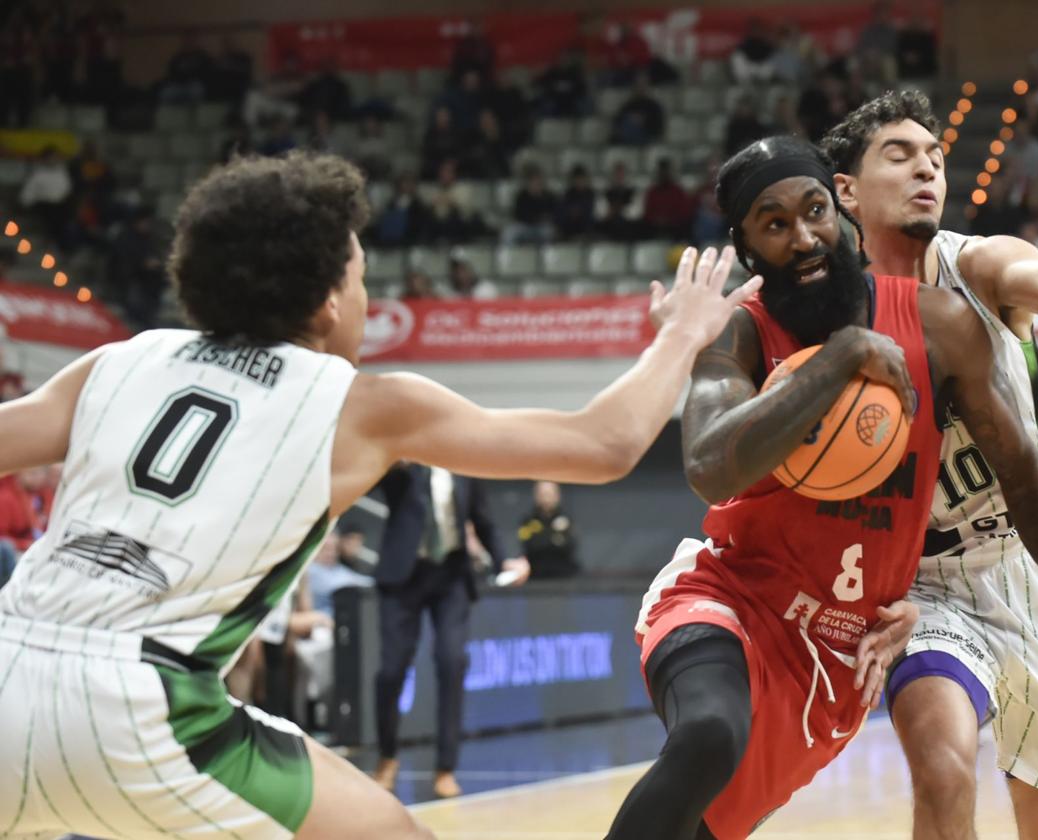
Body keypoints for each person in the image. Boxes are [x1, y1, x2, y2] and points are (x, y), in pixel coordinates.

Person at [0, 151, 760, 840]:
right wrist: (683, 335)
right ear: (330, 299)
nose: (366, 298)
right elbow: (604, 444)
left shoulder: (120, 360)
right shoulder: (362, 404)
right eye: (362, 278)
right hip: (147, 710)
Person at [605, 137, 1038, 840]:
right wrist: (840, 360)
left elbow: (1023, 472)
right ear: (748, 249)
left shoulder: (938, 324)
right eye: (774, 224)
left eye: (813, 211)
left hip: (834, 651)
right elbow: (709, 466)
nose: (804, 237)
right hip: (731, 598)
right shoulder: (741, 336)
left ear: (841, 212)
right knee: (708, 737)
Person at [822, 89, 1038, 840]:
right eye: (900, 155)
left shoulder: (974, 265)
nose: (926, 171)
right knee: (942, 772)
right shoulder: (821, 312)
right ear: (846, 190)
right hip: (919, 587)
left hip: (1029, 563)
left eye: (935, 159)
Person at [371, 464, 513, 799]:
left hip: (451, 576)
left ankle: (446, 768)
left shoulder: (464, 466)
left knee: (452, 662)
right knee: (391, 671)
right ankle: (387, 757)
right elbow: (382, 480)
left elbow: (483, 520)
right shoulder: (404, 466)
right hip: (403, 577)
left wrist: (504, 560)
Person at [518, 480, 580, 579]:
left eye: (549, 494)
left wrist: (542, 536)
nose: (546, 498)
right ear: (536, 495)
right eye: (542, 494)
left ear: (557, 496)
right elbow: (529, 545)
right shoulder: (528, 521)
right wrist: (554, 535)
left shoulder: (566, 520)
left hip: (564, 576)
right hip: (535, 576)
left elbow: (570, 545)